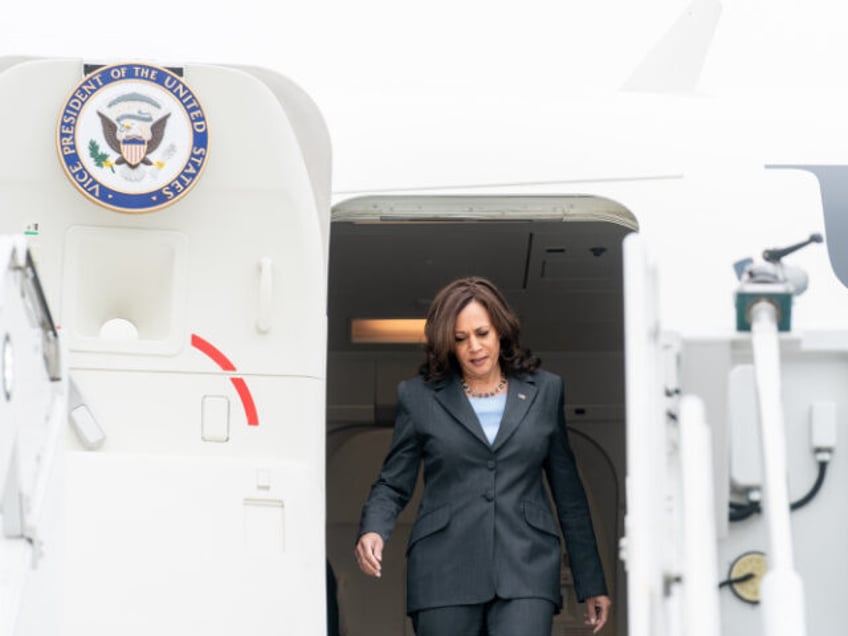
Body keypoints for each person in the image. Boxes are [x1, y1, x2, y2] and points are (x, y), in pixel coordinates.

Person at [355, 276, 612, 635]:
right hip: (443, 570)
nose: (474, 347)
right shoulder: (418, 398)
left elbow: (568, 493)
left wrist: (591, 581)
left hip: (526, 568)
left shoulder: (546, 391)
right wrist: (373, 529)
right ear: (448, 344)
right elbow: (393, 482)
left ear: (501, 332)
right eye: (460, 339)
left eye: (482, 333)